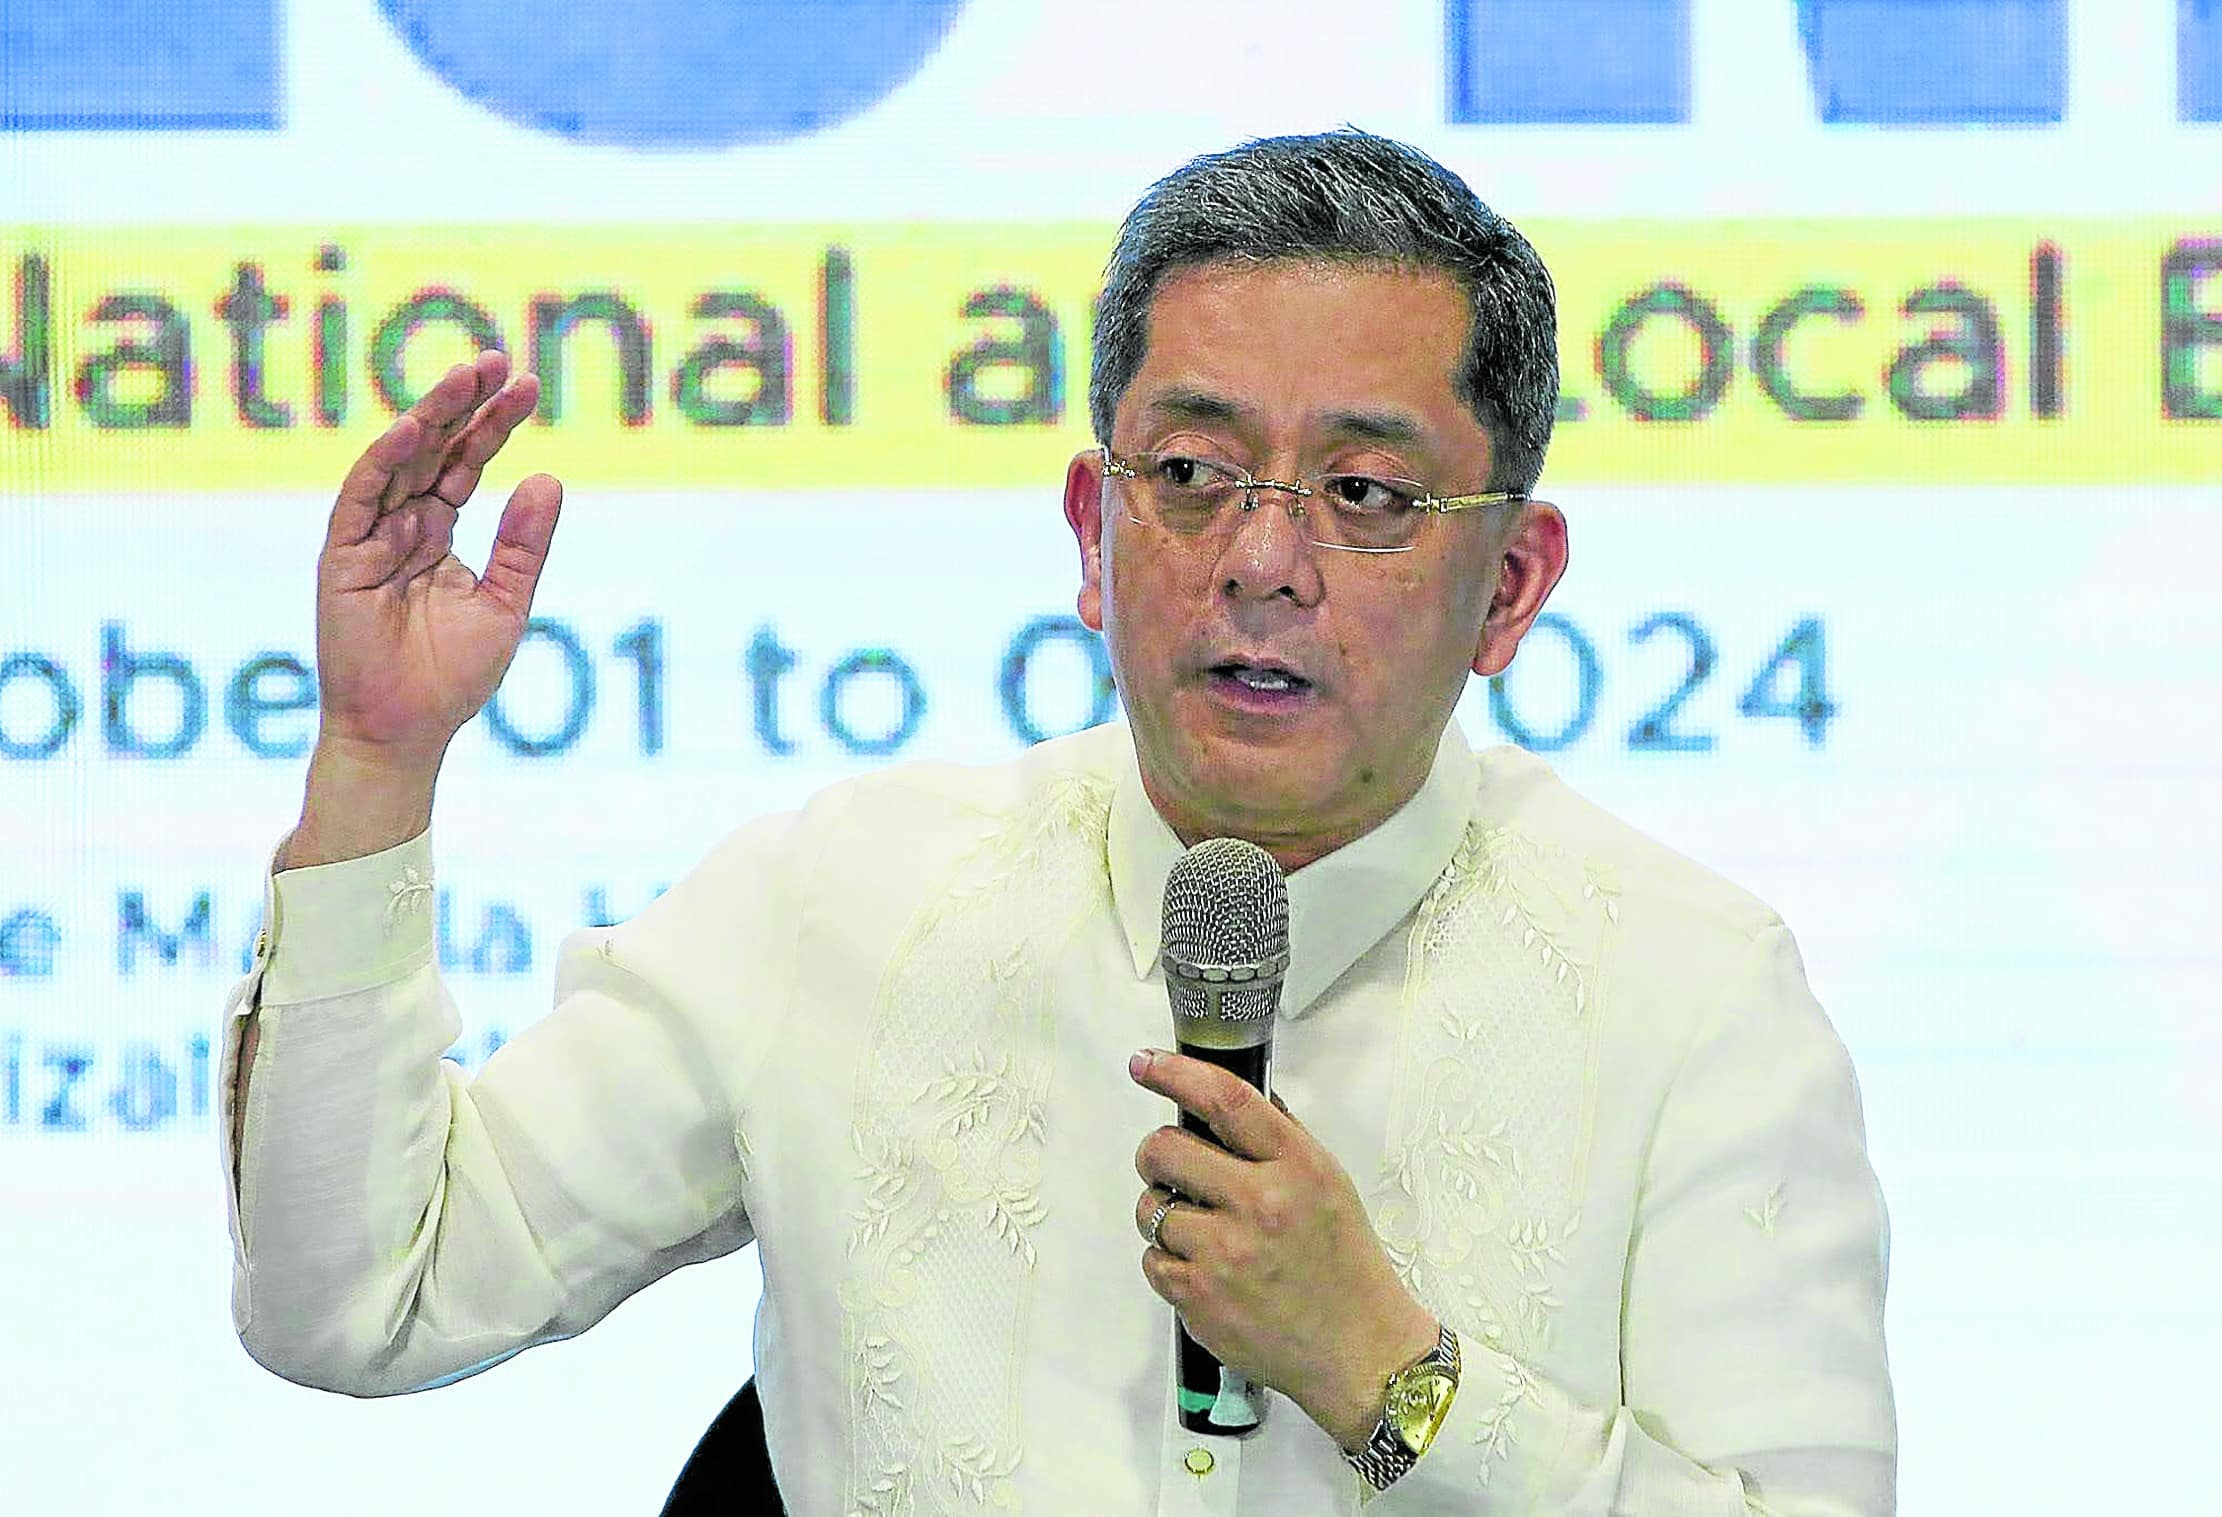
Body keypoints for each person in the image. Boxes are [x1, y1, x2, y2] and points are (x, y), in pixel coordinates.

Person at [221, 130, 1895, 1516]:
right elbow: (364, 1295)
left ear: (1509, 584)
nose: (1259, 559)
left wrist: (1394, 1378)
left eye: (1364, 495)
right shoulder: (838, 904)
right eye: (1191, 473)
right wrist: (376, 764)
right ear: (1094, 532)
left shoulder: (1691, 995)